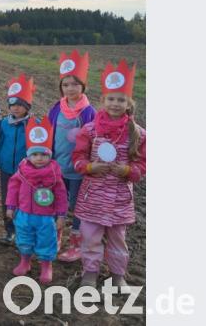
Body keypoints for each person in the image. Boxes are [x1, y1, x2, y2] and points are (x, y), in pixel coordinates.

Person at [72, 60, 146, 288]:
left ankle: (118, 275)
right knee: (90, 236)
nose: (115, 104)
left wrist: (128, 170)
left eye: (121, 100)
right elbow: (77, 159)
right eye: (111, 99)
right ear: (103, 101)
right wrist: (90, 167)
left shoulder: (139, 134)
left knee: (118, 239)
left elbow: (143, 165)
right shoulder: (89, 130)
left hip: (119, 198)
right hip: (93, 196)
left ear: (129, 103)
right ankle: (90, 273)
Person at [6, 117, 68, 284]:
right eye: (35, 154)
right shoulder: (22, 171)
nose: (39, 158)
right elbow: (13, 188)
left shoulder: (54, 175)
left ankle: (46, 265)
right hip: (24, 213)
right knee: (24, 237)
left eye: (43, 154)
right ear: (29, 155)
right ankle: (25, 261)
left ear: (49, 155)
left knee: (46, 239)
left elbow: (62, 195)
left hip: (46, 216)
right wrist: (11, 206)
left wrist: (61, 215)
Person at [51, 50, 97, 263]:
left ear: (83, 86)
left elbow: (95, 139)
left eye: (75, 84)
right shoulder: (56, 109)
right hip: (57, 166)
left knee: (77, 206)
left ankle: (76, 243)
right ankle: (55, 237)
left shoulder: (88, 112)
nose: (70, 88)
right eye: (66, 84)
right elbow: (49, 135)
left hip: (78, 170)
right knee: (56, 203)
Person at [0, 74, 35, 245]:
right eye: (12, 105)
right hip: (6, 170)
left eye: (20, 105)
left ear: (27, 106)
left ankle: (24, 232)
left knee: (25, 201)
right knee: (7, 200)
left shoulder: (33, 124)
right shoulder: (4, 123)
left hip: (26, 172)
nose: (16, 108)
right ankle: (9, 231)